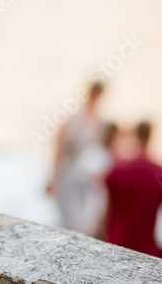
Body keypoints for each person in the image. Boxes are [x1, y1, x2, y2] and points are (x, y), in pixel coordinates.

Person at [104, 121, 162, 257]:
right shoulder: (161, 173)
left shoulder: (119, 170)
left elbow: (107, 206)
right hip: (147, 249)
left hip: (117, 243)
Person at [47, 81, 107, 234]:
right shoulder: (73, 121)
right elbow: (60, 149)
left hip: (89, 179)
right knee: (69, 220)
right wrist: (53, 177)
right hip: (69, 176)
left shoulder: (102, 123)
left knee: (86, 221)